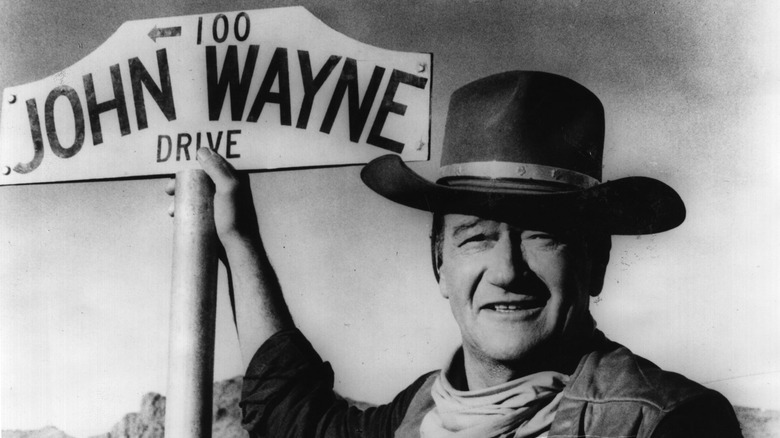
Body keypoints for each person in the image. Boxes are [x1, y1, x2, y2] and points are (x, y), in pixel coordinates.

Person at [173, 71, 743, 437]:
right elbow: (288, 413)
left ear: (596, 261)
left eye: (543, 234)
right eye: (476, 236)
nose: (507, 271)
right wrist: (239, 239)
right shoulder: (421, 412)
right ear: (439, 263)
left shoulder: (670, 424)